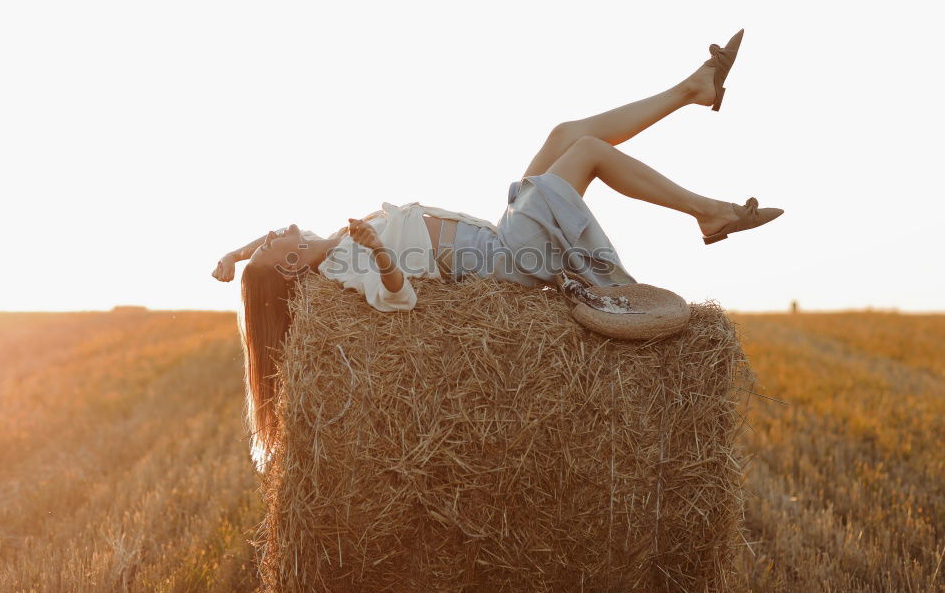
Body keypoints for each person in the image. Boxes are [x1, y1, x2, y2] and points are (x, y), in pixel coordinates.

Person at [211, 29, 783, 465]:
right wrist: (379, 253)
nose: (278, 227)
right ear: (288, 263)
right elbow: (397, 299)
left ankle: (692, 90)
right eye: (274, 241)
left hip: (492, 236)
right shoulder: (343, 265)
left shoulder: (315, 250)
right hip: (505, 261)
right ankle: (709, 212)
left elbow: (268, 250)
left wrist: (235, 257)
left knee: (563, 134)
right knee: (585, 152)